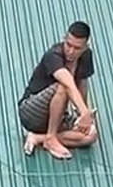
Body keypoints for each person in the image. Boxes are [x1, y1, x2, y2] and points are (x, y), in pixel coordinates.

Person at [18, 21, 97, 159]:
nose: (71, 51)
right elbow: (68, 85)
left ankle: (38, 138)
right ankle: (50, 138)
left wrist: (82, 115)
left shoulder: (86, 56)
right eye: (68, 45)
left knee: (91, 135)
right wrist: (85, 112)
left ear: (86, 47)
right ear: (64, 39)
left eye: (77, 48)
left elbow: (83, 82)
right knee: (63, 85)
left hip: (55, 115)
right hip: (31, 111)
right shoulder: (53, 55)